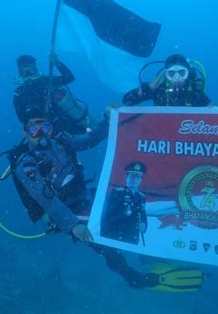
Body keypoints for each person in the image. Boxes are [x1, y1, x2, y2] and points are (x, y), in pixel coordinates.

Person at [9, 112, 159, 289]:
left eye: (46, 128)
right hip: (67, 210)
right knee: (102, 242)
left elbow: (90, 139)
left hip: (85, 195)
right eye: (34, 130)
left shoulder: (61, 141)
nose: (41, 135)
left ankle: (145, 253)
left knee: (126, 206)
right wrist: (73, 225)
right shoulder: (26, 163)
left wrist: (108, 121)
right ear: (25, 133)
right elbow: (45, 198)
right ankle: (131, 277)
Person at [13, 52, 94, 135]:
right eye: (25, 70)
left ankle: (100, 127)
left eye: (31, 69)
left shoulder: (47, 81)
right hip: (37, 130)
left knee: (86, 133)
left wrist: (57, 63)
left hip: (60, 125)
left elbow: (69, 78)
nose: (29, 72)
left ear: (36, 69)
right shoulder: (19, 93)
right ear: (20, 72)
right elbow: (21, 118)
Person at [122, 54, 211, 107]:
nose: (177, 78)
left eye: (181, 73)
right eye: (172, 73)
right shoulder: (159, 89)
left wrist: (213, 108)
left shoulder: (195, 90)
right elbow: (127, 100)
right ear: (166, 75)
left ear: (187, 74)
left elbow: (212, 113)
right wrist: (149, 87)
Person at [101, 161, 148, 245]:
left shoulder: (141, 197)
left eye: (137, 177)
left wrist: (144, 226)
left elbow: (142, 214)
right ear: (126, 177)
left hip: (133, 238)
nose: (134, 179)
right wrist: (105, 236)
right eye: (132, 176)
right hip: (116, 237)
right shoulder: (117, 193)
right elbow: (106, 215)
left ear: (141, 180)